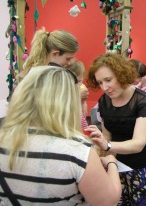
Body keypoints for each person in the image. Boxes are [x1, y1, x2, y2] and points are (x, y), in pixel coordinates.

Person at [0, 66, 121, 206]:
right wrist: (112, 163)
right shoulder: (77, 151)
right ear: (68, 102)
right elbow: (107, 201)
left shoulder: (4, 138)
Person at [86, 53, 146, 206]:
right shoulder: (105, 100)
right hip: (117, 166)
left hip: (145, 167)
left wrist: (107, 145)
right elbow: (107, 135)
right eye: (100, 82)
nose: (104, 87)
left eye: (108, 80)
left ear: (121, 75)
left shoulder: (144, 102)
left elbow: (138, 144)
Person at [68, 59, 90, 131]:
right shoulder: (66, 89)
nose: (78, 84)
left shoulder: (81, 87)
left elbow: (84, 102)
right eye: (75, 81)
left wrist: (84, 103)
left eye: (80, 81)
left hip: (80, 115)